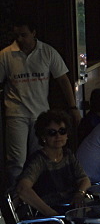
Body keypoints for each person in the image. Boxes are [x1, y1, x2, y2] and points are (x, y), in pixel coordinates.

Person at [0, 21, 80, 183]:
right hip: (16, 113)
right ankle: (17, 198)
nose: (20, 39)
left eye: (24, 35)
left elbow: (63, 80)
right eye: (17, 36)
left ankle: (39, 192)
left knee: (41, 157)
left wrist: (73, 107)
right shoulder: (6, 54)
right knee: (16, 161)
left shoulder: (47, 52)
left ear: (33, 33)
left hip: (40, 114)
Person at [15, 110, 90, 217]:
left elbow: (84, 179)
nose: (58, 136)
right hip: (50, 217)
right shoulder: (38, 160)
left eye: (62, 131)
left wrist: (80, 193)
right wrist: (50, 213)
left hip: (69, 210)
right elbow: (22, 189)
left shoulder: (68, 155)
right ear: (43, 137)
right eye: (52, 133)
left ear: (67, 134)